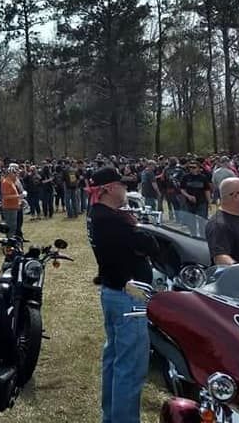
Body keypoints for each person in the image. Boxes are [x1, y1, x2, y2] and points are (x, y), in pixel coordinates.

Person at [87, 166, 156, 423]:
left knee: (115, 359)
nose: (126, 189)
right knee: (130, 367)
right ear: (109, 188)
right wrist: (140, 229)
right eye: (123, 185)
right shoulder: (112, 219)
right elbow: (147, 244)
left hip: (114, 290)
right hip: (129, 294)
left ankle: (112, 417)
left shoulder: (98, 214)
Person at [0, 164, 23, 236]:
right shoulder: (6, 182)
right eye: (15, 173)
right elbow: (5, 196)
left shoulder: (12, 182)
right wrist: (18, 196)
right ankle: (8, 243)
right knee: (10, 226)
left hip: (14, 207)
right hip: (9, 207)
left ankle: (11, 241)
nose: (16, 175)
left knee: (13, 226)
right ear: (10, 173)